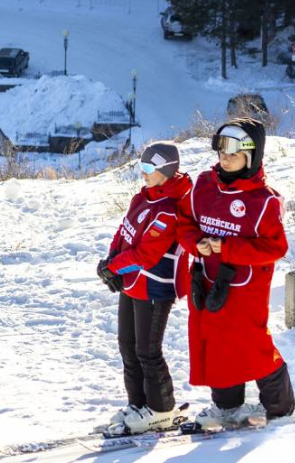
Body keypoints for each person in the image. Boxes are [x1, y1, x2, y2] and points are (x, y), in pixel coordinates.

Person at [176, 118, 295, 429]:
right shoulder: (203, 185)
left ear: (251, 156)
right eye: (221, 151)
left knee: (251, 345)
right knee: (215, 344)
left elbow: (275, 247)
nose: (224, 158)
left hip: (245, 289)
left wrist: (226, 248)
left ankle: (280, 408)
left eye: (233, 152)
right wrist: (196, 243)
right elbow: (184, 224)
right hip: (206, 282)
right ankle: (227, 406)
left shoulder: (263, 200)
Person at [96, 143, 192, 435]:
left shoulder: (168, 210)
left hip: (154, 287)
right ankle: (138, 404)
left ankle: (161, 409)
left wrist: (116, 267)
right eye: (143, 166)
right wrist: (109, 260)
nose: (144, 173)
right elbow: (124, 231)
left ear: (166, 171)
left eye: (150, 168)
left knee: (148, 350)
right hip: (131, 284)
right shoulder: (144, 196)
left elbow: (146, 255)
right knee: (127, 346)